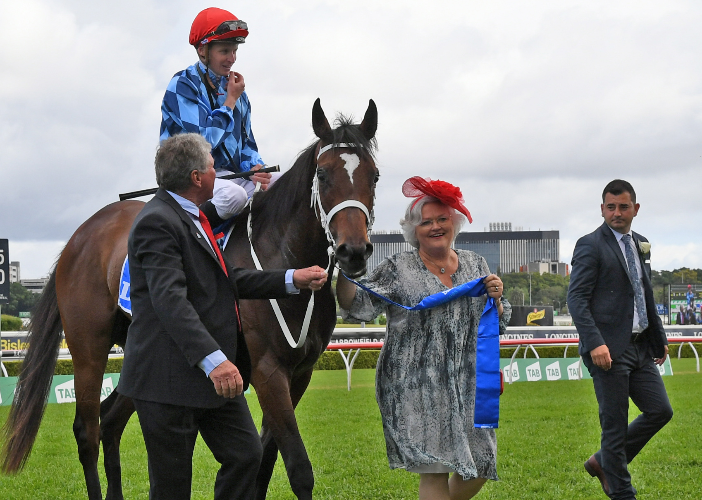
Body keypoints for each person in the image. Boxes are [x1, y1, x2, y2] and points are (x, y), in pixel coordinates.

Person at [118, 133, 328, 499]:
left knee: (246, 455)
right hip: (168, 379)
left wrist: (292, 279)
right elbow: (171, 301)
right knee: (172, 488)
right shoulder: (157, 221)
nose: (220, 173)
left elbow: (228, 278)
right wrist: (215, 361)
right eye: (214, 166)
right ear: (197, 178)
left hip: (213, 380)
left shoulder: (194, 215)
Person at [336, 176, 511, 500]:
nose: (435, 227)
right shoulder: (396, 268)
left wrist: (497, 298)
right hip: (415, 384)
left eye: (442, 219)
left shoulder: (476, 264)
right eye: (425, 222)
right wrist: (347, 269)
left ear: (454, 222)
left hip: (469, 385)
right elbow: (357, 306)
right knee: (434, 471)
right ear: (413, 230)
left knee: (483, 464)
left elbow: (498, 322)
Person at [568, 179, 672, 500]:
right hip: (608, 351)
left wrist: (658, 337)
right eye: (610, 207)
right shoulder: (589, 245)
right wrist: (595, 342)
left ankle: (603, 462)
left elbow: (644, 294)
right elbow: (577, 299)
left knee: (660, 411)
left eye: (623, 206)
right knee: (614, 429)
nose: (617, 213)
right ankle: (622, 492)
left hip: (641, 347)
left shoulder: (640, 243)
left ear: (635, 209)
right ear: (602, 209)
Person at [160, 7, 272, 226]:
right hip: (191, 178)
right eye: (225, 51)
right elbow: (203, 144)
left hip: (229, 177)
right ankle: (195, 241)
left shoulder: (238, 92)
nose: (232, 58)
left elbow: (247, 143)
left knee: (281, 186)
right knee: (233, 196)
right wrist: (229, 102)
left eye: (235, 51)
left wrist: (255, 168)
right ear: (203, 50)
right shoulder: (182, 85)